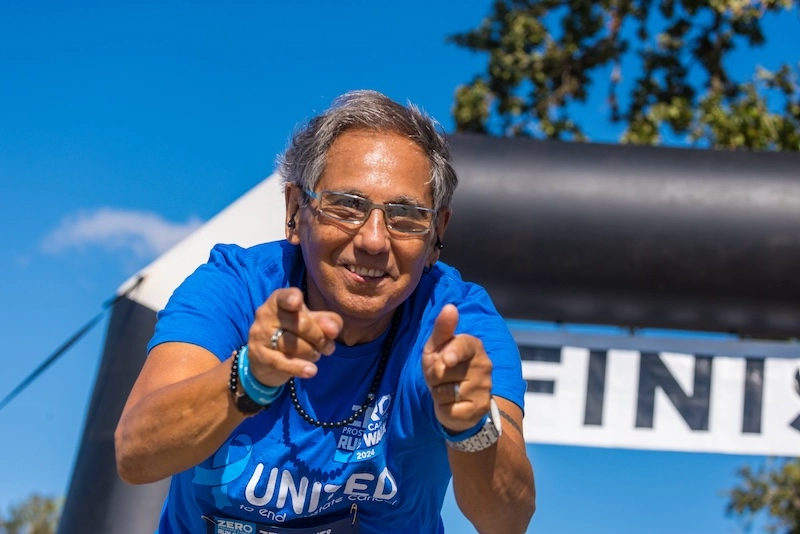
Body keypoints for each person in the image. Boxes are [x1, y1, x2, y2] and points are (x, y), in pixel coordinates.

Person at [115, 90, 535, 534]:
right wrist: (248, 377)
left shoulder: (457, 326)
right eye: (348, 206)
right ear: (296, 209)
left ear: (436, 233)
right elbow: (135, 454)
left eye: (405, 215)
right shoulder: (235, 287)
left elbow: (508, 520)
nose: (374, 240)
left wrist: (471, 428)